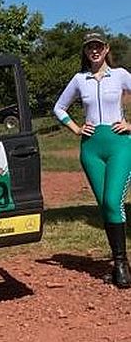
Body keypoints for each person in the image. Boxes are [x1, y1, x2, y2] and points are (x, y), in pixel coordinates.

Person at [53, 31, 131, 288]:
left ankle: (121, 264)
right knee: (105, 206)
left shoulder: (120, 75)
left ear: (106, 48)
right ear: (85, 52)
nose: (94, 51)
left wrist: (130, 124)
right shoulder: (79, 79)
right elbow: (58, 108)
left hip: (119, 145)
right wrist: (75, 129)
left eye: (98, 46)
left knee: (112, 201)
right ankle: (119, 263)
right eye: (89, 48)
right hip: (91, 149)